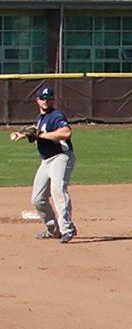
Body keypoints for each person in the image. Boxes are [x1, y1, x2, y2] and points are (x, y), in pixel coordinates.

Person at [7, 85, 77, 243]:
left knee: (58, 190)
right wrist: (22, 134)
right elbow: (37, 131)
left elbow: (66, 133)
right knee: (38, 199)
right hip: (46, 161)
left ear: (53, 100)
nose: (46, 101)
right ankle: (53, 230)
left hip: (61, 156)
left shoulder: (56, 115)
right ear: (37, 100)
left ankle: (67, 228)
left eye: (49, 98)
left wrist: (42, 134)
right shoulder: (41, 118)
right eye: (43, 98)